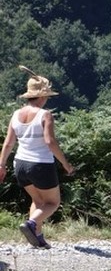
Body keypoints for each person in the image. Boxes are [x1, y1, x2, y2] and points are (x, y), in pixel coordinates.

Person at [1, 72, 77, 249]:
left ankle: (38, 238)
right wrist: (66, 165)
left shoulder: (16, 114)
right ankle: (30, 223)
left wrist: (1, 164)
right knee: (52, 203)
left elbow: (8, 142)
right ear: (42, 96)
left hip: (20, 164)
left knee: (38, 201)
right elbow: (50, 142)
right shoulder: (45, 115)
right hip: (41, 165)